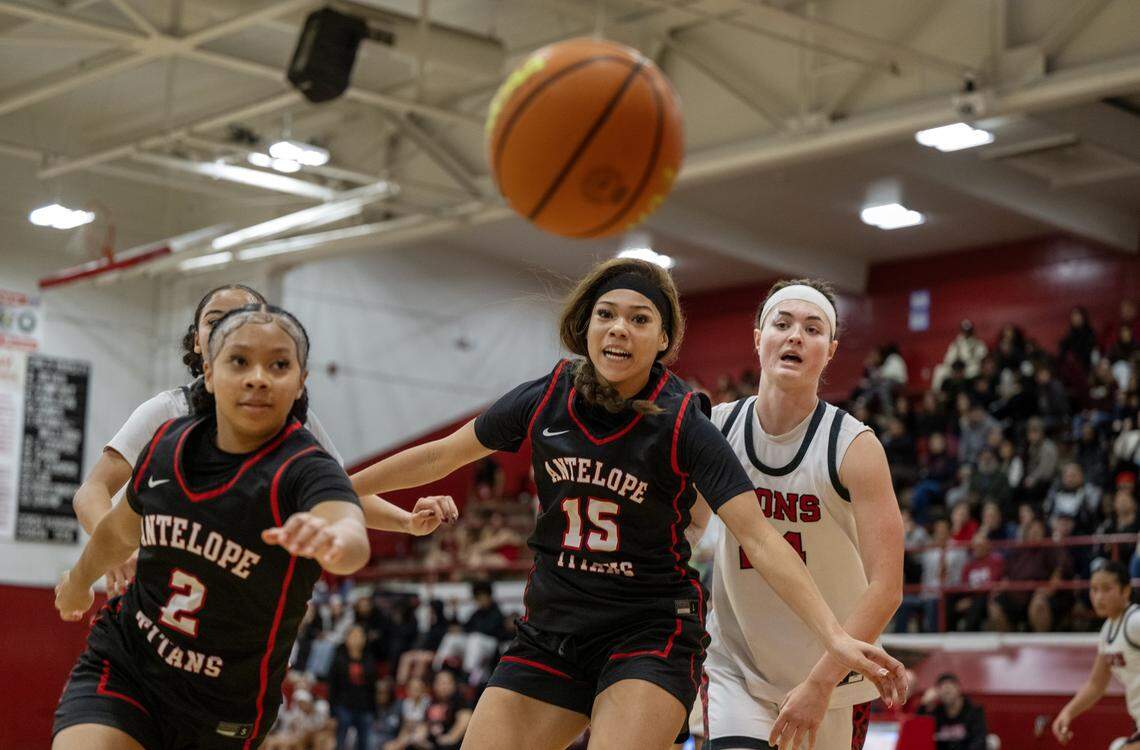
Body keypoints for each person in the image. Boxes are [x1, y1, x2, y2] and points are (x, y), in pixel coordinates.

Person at [351, 259, 906, 750]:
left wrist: (835, 638)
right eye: (606, 314)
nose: (620, 328)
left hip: (649, 633)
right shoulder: (545, 396)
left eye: (640, 319)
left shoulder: (689, 421)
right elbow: (439, 457)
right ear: (585, 325)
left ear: (664, 337)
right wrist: (337, 486)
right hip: (555, 631)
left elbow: (761, 537)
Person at [52, 304, 372, 749]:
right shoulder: (167, 443)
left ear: (301, 381)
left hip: (224, 708)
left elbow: (350, 529)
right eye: (239, 361)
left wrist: (338, 541)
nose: (258, 376)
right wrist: (79, 581)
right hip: (130, 661)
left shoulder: (305, 468)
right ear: (208, 369)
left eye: (279, 365)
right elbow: (118, 533)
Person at [71, 283, 455, 597]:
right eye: (215, 320)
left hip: (246, 607)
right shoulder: (167, 411)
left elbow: (338, 492)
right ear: (197, 344)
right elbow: (92, 490)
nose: (229, 327)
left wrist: (406, 523)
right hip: (159, 603)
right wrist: (113, 546)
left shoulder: (295, 422)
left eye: (244, 319)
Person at [695, 279, 905, 750]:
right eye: (782, 323)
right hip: (736, 665)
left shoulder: (854, 447)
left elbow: (887, 587)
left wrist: (819, 683)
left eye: (812, 329)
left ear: (829, 352)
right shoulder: (717, 428)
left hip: (830, 678)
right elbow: (684, 530)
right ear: (757, 337)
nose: (794, 336)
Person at [1053, 561, 1140, 748]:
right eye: (1094, 589)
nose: (1099, 597)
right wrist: (1067, 712)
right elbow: (1096, 684)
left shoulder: (1134, 622)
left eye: (1107, 589)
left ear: (1125, 591)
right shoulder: (1107, 631)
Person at [329, 624, 378, 750]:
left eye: (360, 635)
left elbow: (372, 688)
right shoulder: (339, 659)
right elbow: (333, 686)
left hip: (364, 707)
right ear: (346, 638)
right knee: (341, 742)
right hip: (343, 706)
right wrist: (332, 713)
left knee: (366, 743)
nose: (357, 639)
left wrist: (374, 711)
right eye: (353, 635)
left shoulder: (369, 659)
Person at [917, 673, 988, 750]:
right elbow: (918, 733)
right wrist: (924, 705)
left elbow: (979, 740)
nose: (947, 692)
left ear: (958, 689)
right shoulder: (936, 713)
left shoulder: (974, 711)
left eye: (950, 690)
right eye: (944, 691)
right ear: (938, 694)